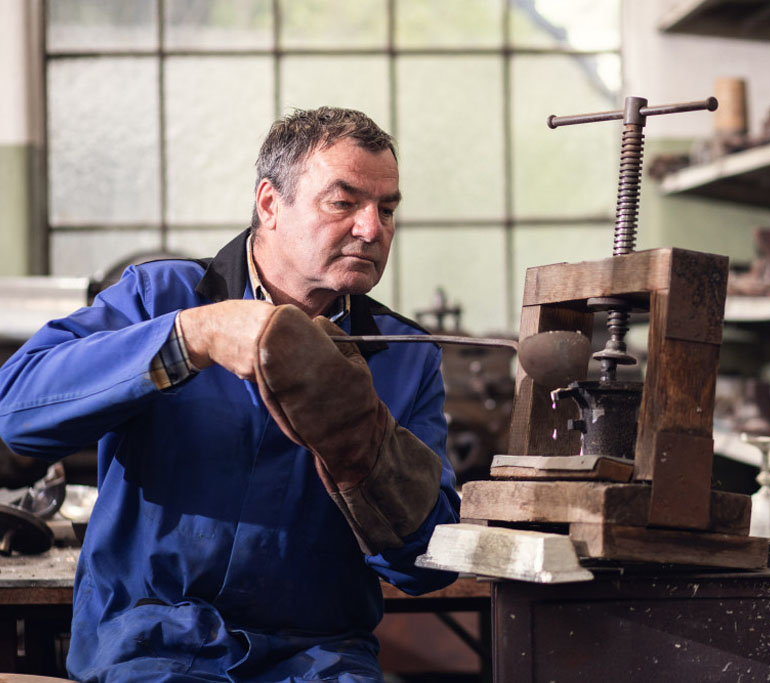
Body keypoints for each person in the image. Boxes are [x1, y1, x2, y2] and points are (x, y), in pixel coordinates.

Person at [0, 107, 460, 682]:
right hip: (149, 648)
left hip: (317, 661)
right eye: (344, 203)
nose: (372, 229)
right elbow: (16, 410)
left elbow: (429, 566)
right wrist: (192, 337)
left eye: (386, 210)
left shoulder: (406, 356)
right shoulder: (159, 298)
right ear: (269, 204)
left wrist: (366, 458)